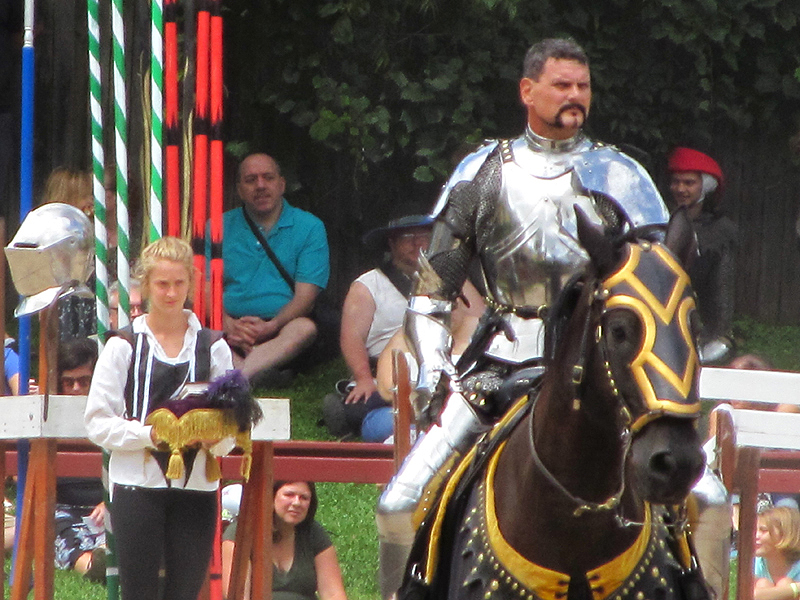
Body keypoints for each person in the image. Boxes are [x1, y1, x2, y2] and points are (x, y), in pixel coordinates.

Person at [375, 37, 678, 598]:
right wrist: (432, 368)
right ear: (528, 90)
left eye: (583, 86)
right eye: (562, 85)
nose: (575, 96)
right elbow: (429, 297)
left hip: (607, 369)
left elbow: (658, 290)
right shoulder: (484, 171)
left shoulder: (622, 178)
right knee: (397, 504)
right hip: (502, 364)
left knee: (702, 497)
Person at [84, 236, 235, 600]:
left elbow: (234, 420)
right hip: (137, 480)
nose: (170, 293)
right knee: (139, 591)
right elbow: (97, 422)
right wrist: (153, 434)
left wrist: (218, 438)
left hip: (197, 482)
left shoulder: (213, 346)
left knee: (185, 589)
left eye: (179, 284)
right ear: (146, 285)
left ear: (191, 285)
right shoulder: (124, 345)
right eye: (162, 284)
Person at [219, 153, 330, 387]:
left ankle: (237, 375)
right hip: (228, 324)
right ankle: (257, 371)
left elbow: (306, 298)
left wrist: (271, 326)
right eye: (251, 180)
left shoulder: (310, 227)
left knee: (305, 328)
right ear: (239, 190)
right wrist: (228, 324)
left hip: (282, 325)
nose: (260, 185)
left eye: (267, 178)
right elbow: (204, 286)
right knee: (201, 326)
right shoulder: (217, 227)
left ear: (281, 185)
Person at [667, 147, 738, 364]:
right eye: (676, 182)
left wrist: (719, 333)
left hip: (701, 321)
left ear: (704, 186)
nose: (681, 189)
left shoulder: (720, 230)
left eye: (689, 183)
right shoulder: (659, 221)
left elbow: (721, 287)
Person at [221, 480, 347, 600]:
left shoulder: (313, 532)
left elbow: (333, 594)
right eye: (289, 495)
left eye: (304, 498)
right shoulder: (241, 533)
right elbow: (239, 596)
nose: (297, 503)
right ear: (270, 497)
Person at [53, 337, 107, 582]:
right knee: (61, 533)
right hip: (63, 508)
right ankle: (94, 567)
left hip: (106, 503)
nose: (76, 388)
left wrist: (109, 502)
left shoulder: (112, 415)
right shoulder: (48, 416)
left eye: (84, 381)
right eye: (68, 382)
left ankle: (107, 558)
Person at [753, 506, 800, 600]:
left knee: (785, 583)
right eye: (755, 530)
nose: (755, 536)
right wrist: (796, 588)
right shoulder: (754, 563)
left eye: (763, 530)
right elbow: (753, 596)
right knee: (762, 584)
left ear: (785, 534)